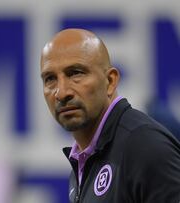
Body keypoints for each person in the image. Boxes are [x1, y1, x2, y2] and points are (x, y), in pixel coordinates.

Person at [40, 28, 180, 203]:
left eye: (75, 73)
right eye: (50, 79)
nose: (61, 93)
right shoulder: (83, 162)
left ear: (110, 81)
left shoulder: (144, 146)